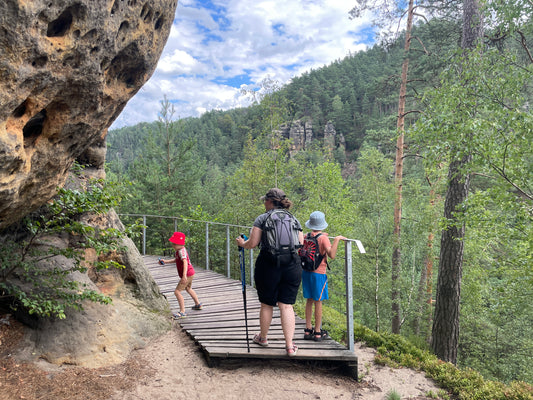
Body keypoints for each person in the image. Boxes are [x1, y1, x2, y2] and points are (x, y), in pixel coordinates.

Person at [236, 188, 304, 356]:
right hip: (292, 264)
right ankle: (289, 346)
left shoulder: (262, 219)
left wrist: (241, 243)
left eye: (264, 200)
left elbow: (252, 243)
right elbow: (300, 243)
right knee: (286, 306)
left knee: (267, 304)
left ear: (270, 201)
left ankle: (263, 338)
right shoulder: (293, 218)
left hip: (268, 264)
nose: (263, 203)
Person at [301, 211, 346, 341]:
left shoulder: (306, 236)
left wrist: (322, 236)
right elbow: (331, 254)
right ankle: (318, 332)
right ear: (323, 224)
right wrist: (336, 240)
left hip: (306, 272)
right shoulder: (323, 238)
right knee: (318, 302)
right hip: (318, 274)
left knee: (309, 300)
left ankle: (308, 330)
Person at [159, 231, 203, 318]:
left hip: (187, 274)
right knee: (188, 288)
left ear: (179, 244)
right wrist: (166, 261)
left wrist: (184, 276)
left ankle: (182, 312)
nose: (173, 246)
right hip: (191, 273)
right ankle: (198, 304)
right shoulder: (179, 251)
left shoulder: (181, 251)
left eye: (174, 244)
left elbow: (185, 262)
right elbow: (177, 260)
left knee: (177, 291)